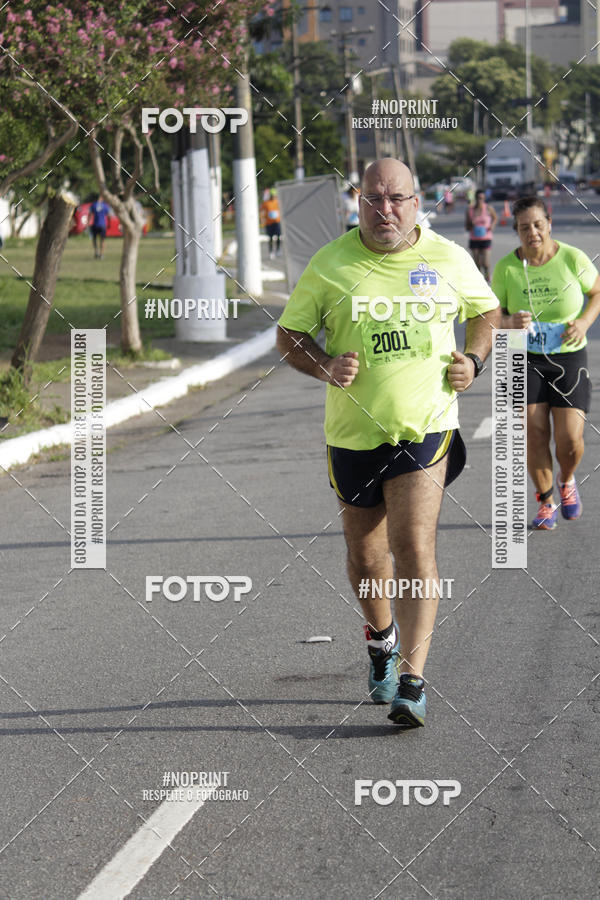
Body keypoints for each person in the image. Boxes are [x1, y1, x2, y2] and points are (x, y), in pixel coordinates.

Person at [276, 158, 500, 728]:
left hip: (425, 427)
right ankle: (381, 640)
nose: (385, 209)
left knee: (414, 547)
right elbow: (288, 336)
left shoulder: (448, 257)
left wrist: (472, 361)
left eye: (396, 197)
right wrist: (324, 363)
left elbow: (487, 313)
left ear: (416, 199)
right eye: (373, 199)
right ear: (358, 203)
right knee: (367, 558)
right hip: (352, 436)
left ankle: (412, 680)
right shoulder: (330, 264)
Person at [492, 196, 600, 529]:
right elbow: (492, 316)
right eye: (524, 227)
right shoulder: (507, 268)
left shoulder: (572, 258)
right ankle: (545, 501)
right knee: (535, 435)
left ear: (549, 223)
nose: (533, 232)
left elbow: (597, 292)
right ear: (517, 231)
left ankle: (567, 480)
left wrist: (582, 322)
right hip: (525, 358)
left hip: (568, 356)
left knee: (569, 440)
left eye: (538, 224)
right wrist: (509, 324)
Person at [465, 189, 497, 282]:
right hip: (474, 238)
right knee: (477, 263)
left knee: (486, 263)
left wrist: (492, 226)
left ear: (484, 198)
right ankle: (479, 280)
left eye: (482, 198)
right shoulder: (470, 210)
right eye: (478, 198)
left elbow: (495, 218)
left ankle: (487, 274)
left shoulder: (488, 208)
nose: (480, 200)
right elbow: (466, 226)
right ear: (475, 198)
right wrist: (471, 224)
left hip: (486, 238)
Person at [260, 188, 281, 259]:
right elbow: (262, 211)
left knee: (278, 236)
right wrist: (262, 220)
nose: (273, 197)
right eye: (272, 195)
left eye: (274, 195)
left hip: (276, 222)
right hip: (269, 223)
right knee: (270, 238)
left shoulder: (277, 202)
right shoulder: (266, 203)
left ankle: (278, 250)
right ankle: (271, 251)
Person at [89, 194, 110, 259]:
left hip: (95, 224)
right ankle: (101, 254)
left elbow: (90, 215)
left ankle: (96, 252)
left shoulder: (93, 205)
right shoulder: (105, 205)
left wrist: (88, 223)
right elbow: (108, 215)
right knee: (102, 240)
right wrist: (109, 224)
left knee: (94, 239)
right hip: (102, 225)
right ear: (101, 198)